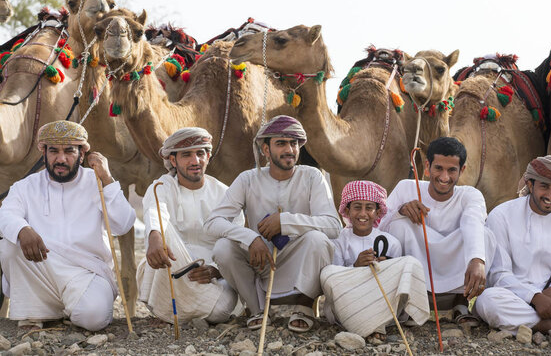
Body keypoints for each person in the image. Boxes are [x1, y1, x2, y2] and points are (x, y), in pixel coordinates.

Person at [205, 115, 341, 332]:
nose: (290, 149)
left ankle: (302, 308)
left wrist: (285, 222)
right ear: (265, 150)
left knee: (317, 240)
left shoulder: (313, 176)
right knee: (223, 247)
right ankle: (257, 309)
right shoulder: (248, 179)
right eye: (281, 143)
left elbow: (334, 226)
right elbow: (213, 223)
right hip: (261, 262)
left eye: (294, 143)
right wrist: (250, 238)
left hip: (298, 262)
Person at [0, 120, 135, 331]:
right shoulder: (26, 186)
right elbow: (5, 214)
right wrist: (23, 229)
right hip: (41, 267)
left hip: (86, 272)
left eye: (69, 151)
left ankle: (61, 310)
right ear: (43, 153)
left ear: (82, 154)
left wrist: (107, 179)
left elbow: (124, 224)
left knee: (93, 318)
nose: (60, 159)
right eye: (53, 151)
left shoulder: (97, 183)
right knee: (10, 244)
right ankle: (37, 311)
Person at [476, 155, 551, 338]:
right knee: (488, 301)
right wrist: (535, 297)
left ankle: (533, 323)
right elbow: (499, 274)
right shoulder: (502, 215)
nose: (550, 196)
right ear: (530, 184)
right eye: (544, 186)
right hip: (515, 296)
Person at [378, 136, 495, 323]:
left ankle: (460, 303)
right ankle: (408, 302)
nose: (444, 177)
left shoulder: (470, 195)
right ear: (427, 166)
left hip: (454, 259)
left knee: (484, 235)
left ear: (462, 170)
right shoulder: (407, 187)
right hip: (417, 268)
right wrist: (400, 211)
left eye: (452, 170)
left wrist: (477, 260)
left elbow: (472, 222)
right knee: (398, 225)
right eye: (438, 168)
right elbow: (379, 228)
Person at [136, 128, 244, 324]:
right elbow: (156, 210)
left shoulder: (224, 194)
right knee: (161, 227)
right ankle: (184, 311)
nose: (195, 161)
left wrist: (215, 270)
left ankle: (180, 313)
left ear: (208, 156)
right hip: (171, 269)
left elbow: (236, 243)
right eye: (187, 155)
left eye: (200, 153)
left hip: (210, 278)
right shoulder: (162, 186)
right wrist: (155, 237)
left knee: (221, 310)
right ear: (173, 160)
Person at [320, 180, 429, 342]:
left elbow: (395, 283)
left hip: (382, 303)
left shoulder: (390, 242)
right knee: (327, 273)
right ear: (347, 211)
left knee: (410, 263)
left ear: (378, 213)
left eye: (369, 208)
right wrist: (356, 267)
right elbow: (336, 281)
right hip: (350, 304)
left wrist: (385, 267)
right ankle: (369, 325)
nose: (363, 214)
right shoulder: (339, 241)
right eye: (357, 207)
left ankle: (375, 324)